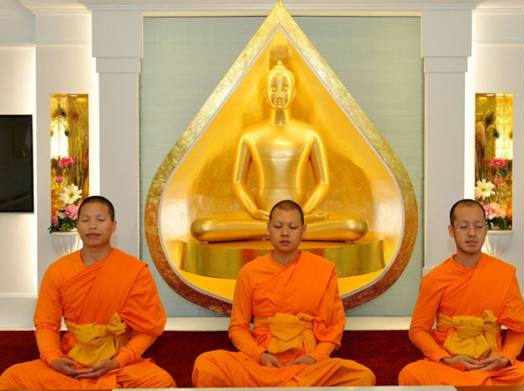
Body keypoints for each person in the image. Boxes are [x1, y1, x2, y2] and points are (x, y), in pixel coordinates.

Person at [191, 200, 375, 387]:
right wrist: (260, 355)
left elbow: (333, 330)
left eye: (293, 227)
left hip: (306, 367)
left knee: (362, 377)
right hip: (262, 365)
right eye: (278, 226)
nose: (285, 233)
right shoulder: (250, 271)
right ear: (268, 228)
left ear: (303, 230)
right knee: (207, 365)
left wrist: (313, 358)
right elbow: (238, 328)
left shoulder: (323, 269)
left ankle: (285, 385)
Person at [0, 196, 175, 389]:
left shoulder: (135, 271)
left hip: (117, 364)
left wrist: (119, 360)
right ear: (77, 225)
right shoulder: (58, 271)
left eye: (100, 220)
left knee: (161, 382)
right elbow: (46, 324)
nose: (93, 226)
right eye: (85, 220)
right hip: (73, 362)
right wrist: (53, 359)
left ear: (113, 225)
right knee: (13, 378)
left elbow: (148, 330)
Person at [191, 60, 367, 242]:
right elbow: (237, 183)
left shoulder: (310, 134)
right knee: (203, 228)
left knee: (355, 226)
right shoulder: (250, 135)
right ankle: (280, 229)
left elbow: (323, 182)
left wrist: (303, 213)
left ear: (293, 93)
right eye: (274, 88)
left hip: (301, 215)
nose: (279, 93)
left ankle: (274, 230)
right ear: (265, 94)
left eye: (285, 88)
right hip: (260, 215)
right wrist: (253, 210)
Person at [398, 199, 524, 386]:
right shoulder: (435, 279)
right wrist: (445, 359)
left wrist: (505, 358)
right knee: (410, 374)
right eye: (463, 227)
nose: (472, 233)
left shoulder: (503, 273)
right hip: (452, 366)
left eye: (478, 226)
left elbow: (519, 329)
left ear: (486, 229)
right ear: (451, 231)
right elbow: (418, 330)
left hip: (492, 366)